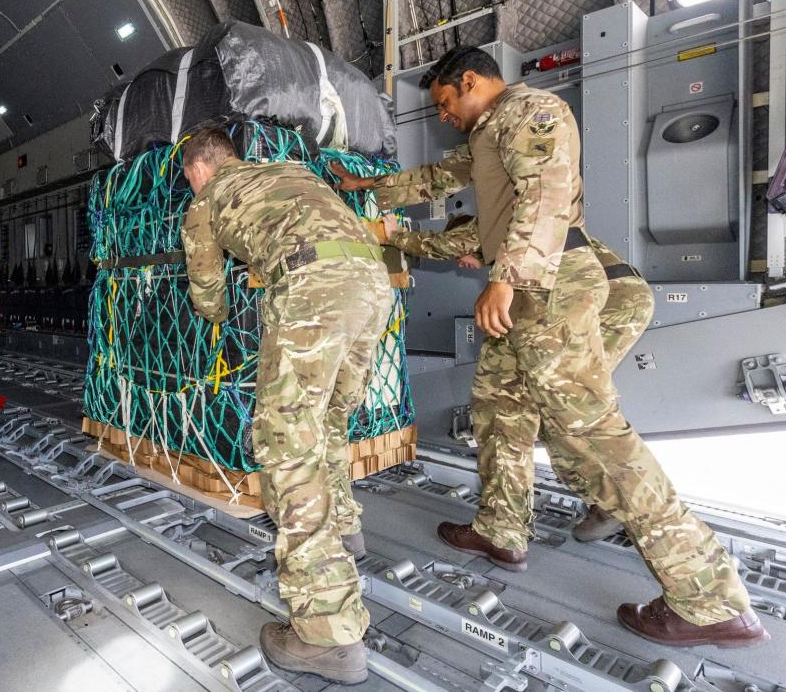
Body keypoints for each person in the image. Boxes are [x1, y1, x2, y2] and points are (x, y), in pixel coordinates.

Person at [334, 45, 766, 648]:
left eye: (443, 102)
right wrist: (366, 188)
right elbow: (436, 178)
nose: (441, 116)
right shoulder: (488, 136)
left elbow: (545, 195)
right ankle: (501, 529)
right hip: (535, 290)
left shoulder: (531, 111)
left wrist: (504, 276)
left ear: (470, 82)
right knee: (498, 410)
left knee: (592, 433)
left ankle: (708, 598)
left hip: (552, 286)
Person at [179, 124, 393, 684]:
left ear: (198, 169)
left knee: (287, 445)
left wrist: (225, 302)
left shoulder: (206, 200)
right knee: (331, 422)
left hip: (313, 290)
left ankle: (328, 635)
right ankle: (346, 531)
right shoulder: (291, 173)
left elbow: (209, 298)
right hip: (371, 282)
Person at [365, 210, 653, 541]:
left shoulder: (494, 223)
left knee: (512, 409)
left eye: (462, 256)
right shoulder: (523, 252)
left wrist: (394, 235)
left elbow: (443, 243)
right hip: (621, 299)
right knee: (562, 408)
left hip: (591, 302)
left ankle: (514, 526)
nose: (461, 263)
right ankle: (610, 502)